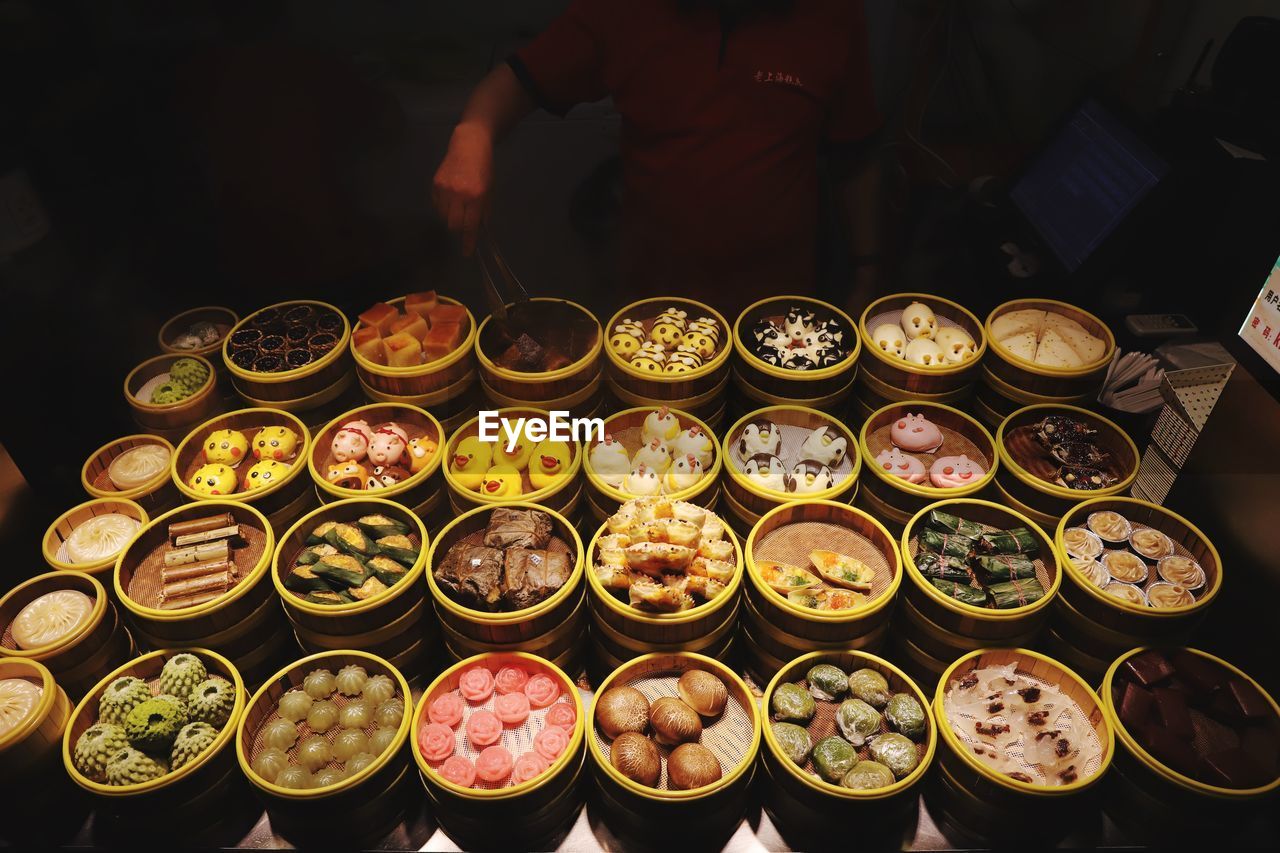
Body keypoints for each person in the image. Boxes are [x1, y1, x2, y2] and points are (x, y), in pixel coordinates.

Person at [433, 0, 884, 314]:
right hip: (650, 306)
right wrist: (472, 132)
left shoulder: (831, 13)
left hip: (780, 313)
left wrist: (866, 270)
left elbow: (855, 154)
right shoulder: (627, 9)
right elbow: (519, 81)